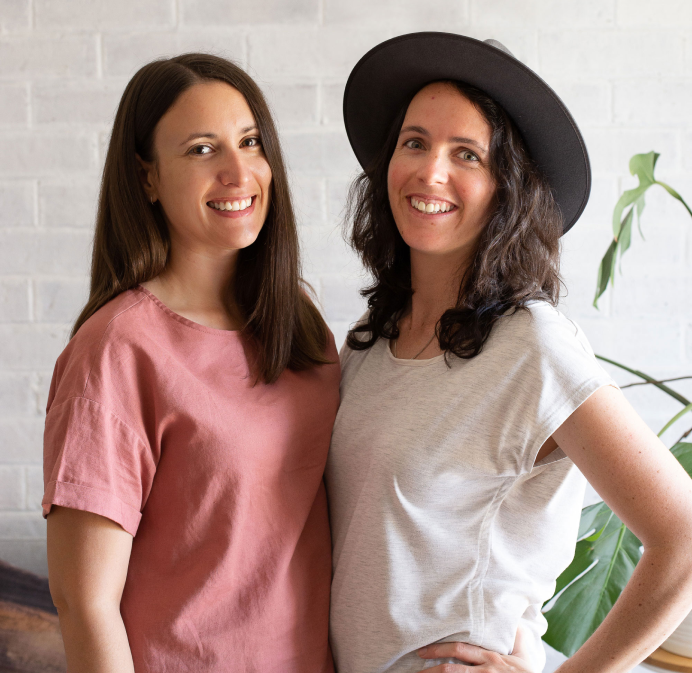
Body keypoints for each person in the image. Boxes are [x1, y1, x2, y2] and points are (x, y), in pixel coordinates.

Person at [325, 33, 692, 673]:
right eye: (415, 142)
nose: (430, 171)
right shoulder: (373, 336)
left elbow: (683, 537)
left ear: (506, 189)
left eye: (466, 153)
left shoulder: (532, 345)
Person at [42, 53, 339, 673]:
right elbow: (84, 602)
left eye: (250, 142)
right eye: (202, 149)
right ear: (147, 178)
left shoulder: (298, 325)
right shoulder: (116, 351)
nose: (239, 171)